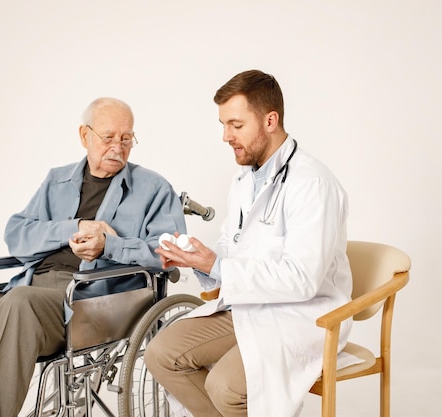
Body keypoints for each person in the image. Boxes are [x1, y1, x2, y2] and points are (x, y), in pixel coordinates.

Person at [0, 97, 187, 417]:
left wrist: (110, 245)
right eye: (108, 137)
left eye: (126, 138)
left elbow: (169, 253)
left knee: (19, 303)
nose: (117, 147)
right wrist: (74, 227)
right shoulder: (57, 180)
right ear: (85, 136)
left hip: (95, 301)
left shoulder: (154, 188)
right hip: (30, 288)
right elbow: (16, 233)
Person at [144, 70, 353, 417]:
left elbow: (301, 279)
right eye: (223, 125)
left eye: (236, 125)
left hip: (303, 317)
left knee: (225, 386)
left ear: (270, 120)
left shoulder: (312, 184)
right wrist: (198, 259)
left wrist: (217, 265)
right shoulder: (245, 180)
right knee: (161, 353)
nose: (226, 136)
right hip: (250, 305)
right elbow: (232, 247)